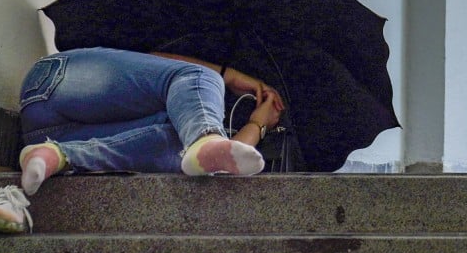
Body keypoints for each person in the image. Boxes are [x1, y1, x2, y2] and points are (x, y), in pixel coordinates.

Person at [16, 46, 285, 195]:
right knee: (203, 78)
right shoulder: (196, 70)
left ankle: (53, 156)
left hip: (51, 136)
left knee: (181, 150)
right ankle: (207, 138)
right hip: (63, 81)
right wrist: (228, 76)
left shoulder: (194, 124)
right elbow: (163, 64)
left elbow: (220, 162)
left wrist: (257, 124)